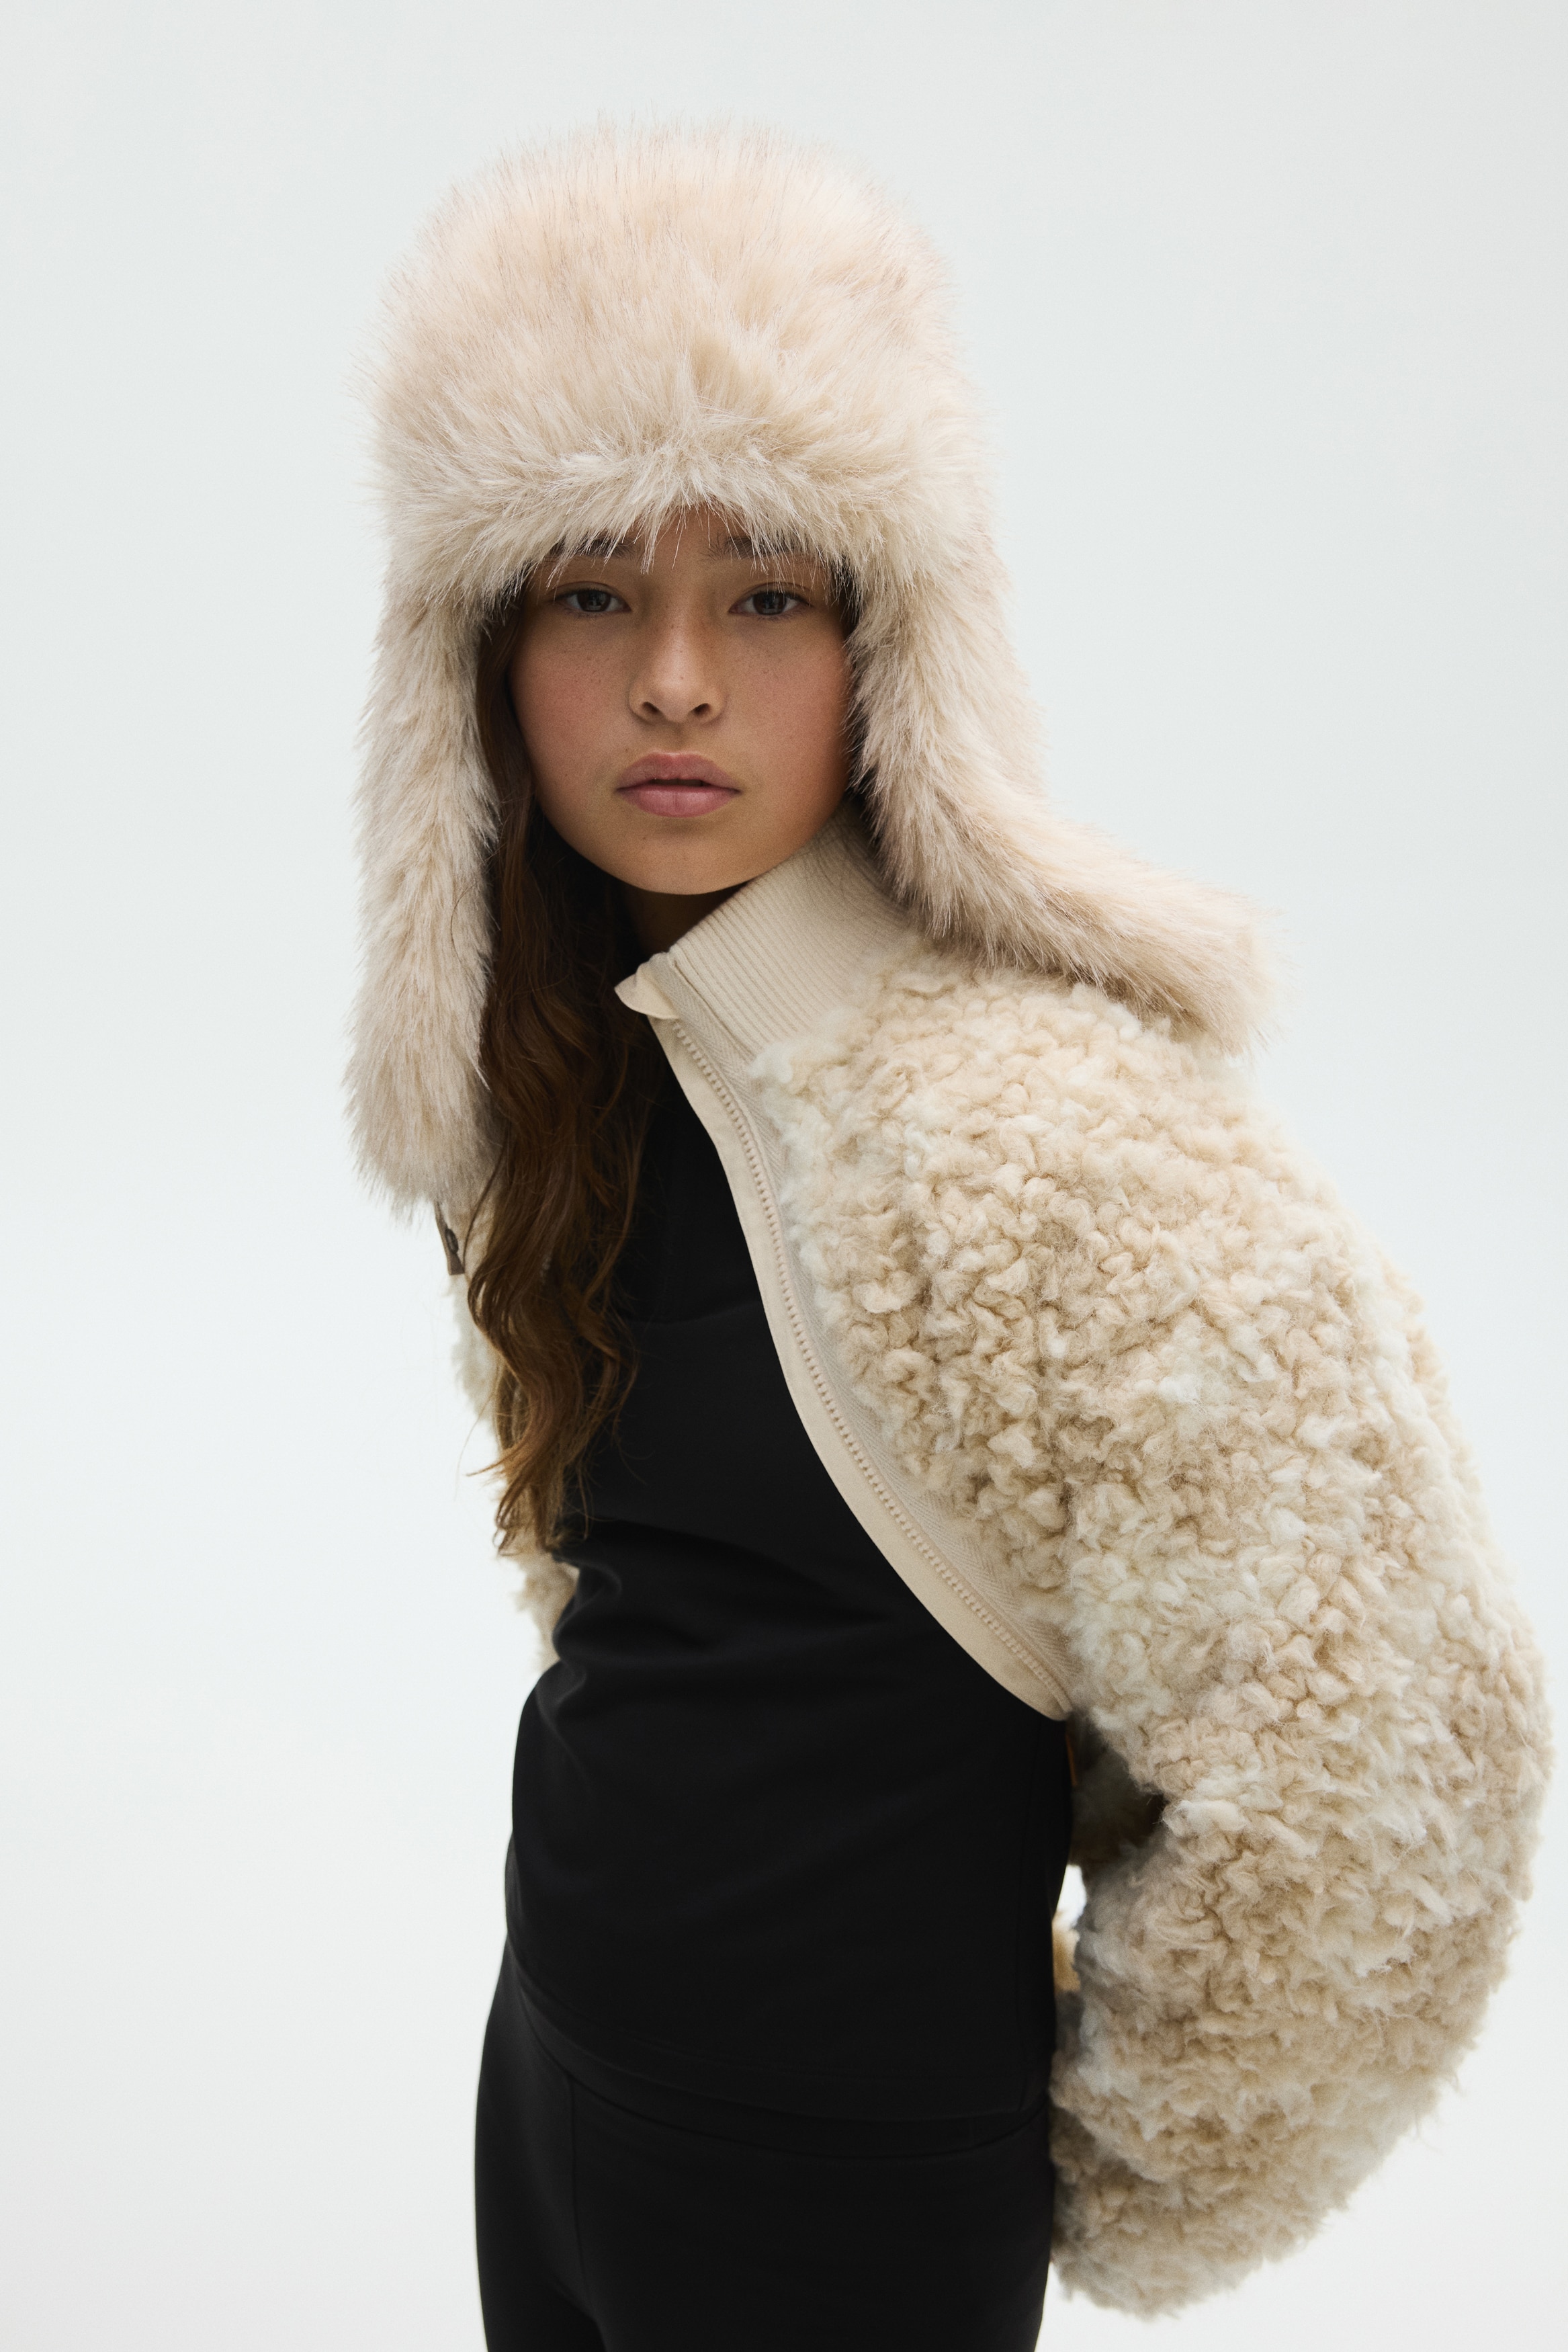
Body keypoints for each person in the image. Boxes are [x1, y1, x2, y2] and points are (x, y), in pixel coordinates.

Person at [349, 127, 1548, 2351]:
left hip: (851, 2192)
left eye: (767, 592)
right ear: (479, 653)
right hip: (556, 2085)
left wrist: (1110, 2153)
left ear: (889, 639)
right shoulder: (563, 1078)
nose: (676, 678)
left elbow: (1394, 1753)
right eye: (593, 590)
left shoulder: (1065, 1145)